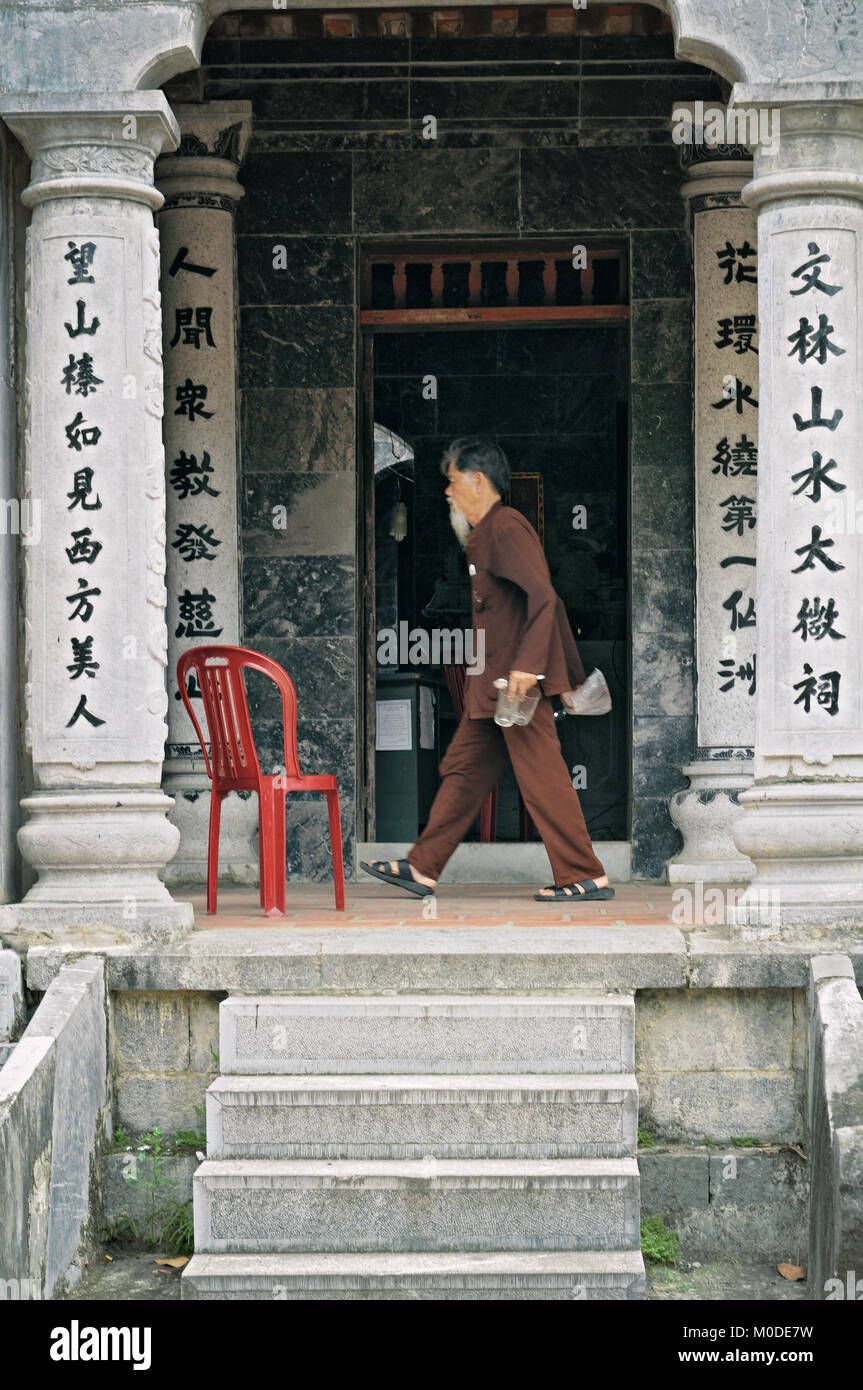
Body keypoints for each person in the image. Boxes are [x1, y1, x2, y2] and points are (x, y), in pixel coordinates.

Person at [361, 437, 613, 904]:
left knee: (542, 777)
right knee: (462, 774)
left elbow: (544, 597)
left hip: (516, 688)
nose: (448, 492)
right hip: (493, 688)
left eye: (453, 482)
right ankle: (422, 866)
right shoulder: (487, 533)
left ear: (478, 481)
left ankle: (584, 874)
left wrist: (528, 668)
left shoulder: (505, 527)